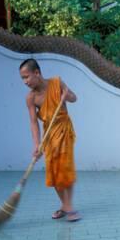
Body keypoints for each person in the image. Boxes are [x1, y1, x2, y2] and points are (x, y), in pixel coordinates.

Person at [19, 58, 81, 222]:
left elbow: (75, 98)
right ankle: (65, 205)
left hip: (64, 129)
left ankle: (68, 206)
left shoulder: (56, 82)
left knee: (64, 169)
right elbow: (33, 122)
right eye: (22, 79)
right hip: (49, 135)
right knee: (53, 172)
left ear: (37, 73)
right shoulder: (30, 98)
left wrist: (67, 95)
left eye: (26, 77)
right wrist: (37, 145)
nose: (25, 82)